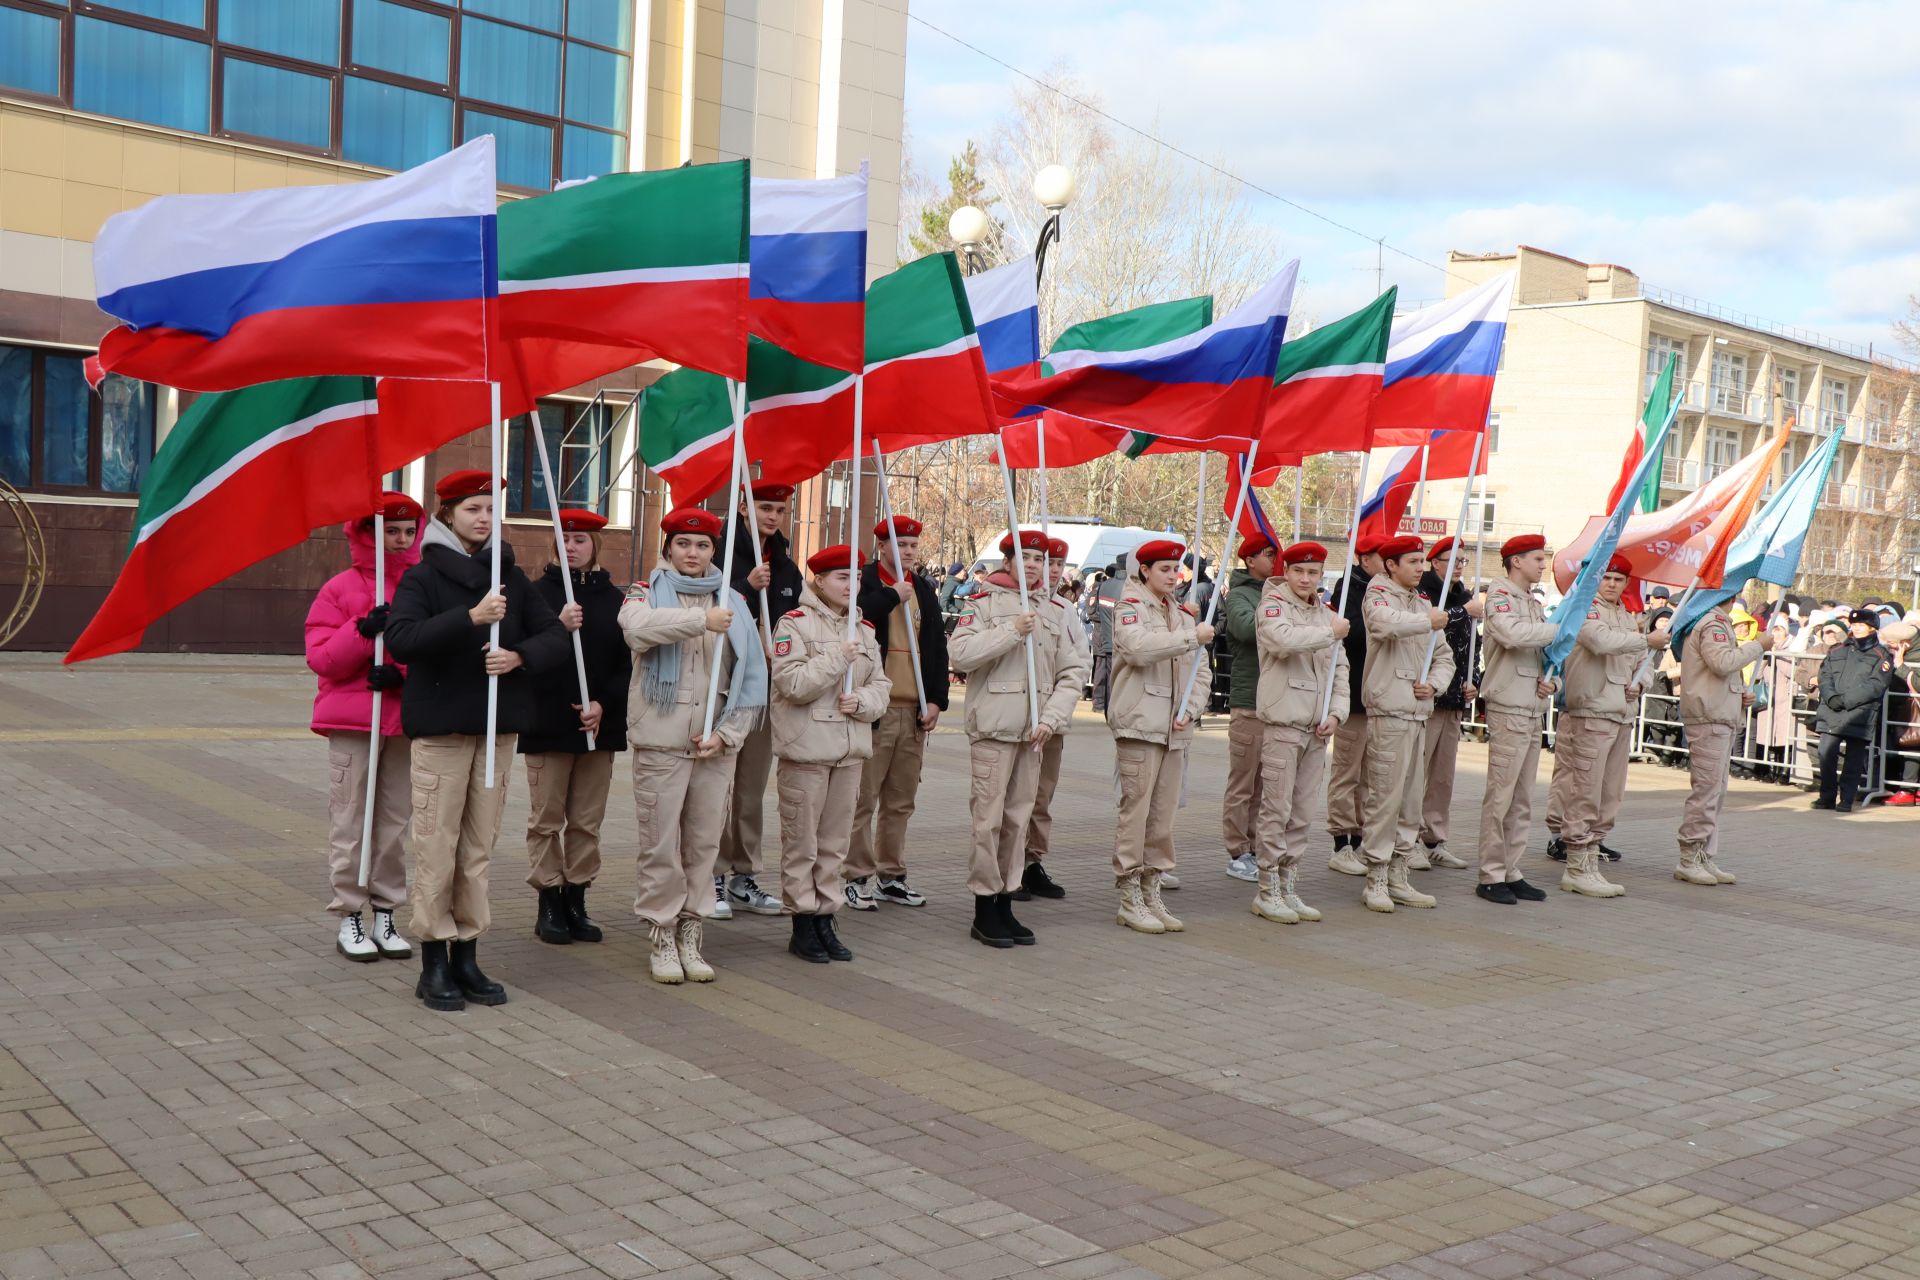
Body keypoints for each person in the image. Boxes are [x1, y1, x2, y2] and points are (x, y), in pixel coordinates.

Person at [385, 469, 569, 1012]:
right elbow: (402, 639)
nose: (484, 517)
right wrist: (470, 617)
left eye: (490, 508)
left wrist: (518, 657)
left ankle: (468, 949)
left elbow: (554, 636)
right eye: (472, 508)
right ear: (447, 515)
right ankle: (434, 959)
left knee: (478, 849)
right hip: (443, 730)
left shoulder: (509, 576)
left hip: (496, 729)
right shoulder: (423, 577)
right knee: (436, 846)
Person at [618, 507, 767, 983]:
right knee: (660, 845)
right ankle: (661, 933)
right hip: (662, 740)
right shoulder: (646, 592)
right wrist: (700, 621)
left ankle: (691, 930)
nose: (693, 553)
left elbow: (751, 680)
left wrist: (729, 733)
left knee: (702, 845)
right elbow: (636, 628)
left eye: (703, 546)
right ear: (668, 549)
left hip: (715, 745)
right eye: (684, 543)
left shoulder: (733, 601)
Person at [305, 491, 422, 963]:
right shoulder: (339, 589)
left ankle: (385, 910)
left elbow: (438, 650)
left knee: (394, 823)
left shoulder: (422, 586)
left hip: (404, 721)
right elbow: (322, 658)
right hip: (353, 722)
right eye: (389, 531)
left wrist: (403, 675)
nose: (399, 540)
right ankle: (349, 913)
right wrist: (361, 631)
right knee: (351, 820)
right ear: (365, 534)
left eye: (408, 532)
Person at [949, 532, 1084, 943]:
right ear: (1007, 561)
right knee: (988, 821)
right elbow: (960, 655)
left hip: (1034, 732)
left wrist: (1053, 717)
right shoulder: (982, 604)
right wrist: (1011, 631)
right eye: (1024, 557)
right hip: (994, 727)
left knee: (1018, 820)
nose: (1033, 565)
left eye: (1040, 559)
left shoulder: (1057, 611)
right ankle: (983, 905)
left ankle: (1007, 899)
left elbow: (1073, 672)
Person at [769, 546, 890, 963]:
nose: (850, 585)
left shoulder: (865, 630)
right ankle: (802, 921)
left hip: (849, 750)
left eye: (855, 578)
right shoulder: (794, 624)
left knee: (834, 844)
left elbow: (881, 685)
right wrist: (839, 657)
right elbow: (792, 684)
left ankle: (825, 916)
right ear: (818, 581)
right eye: (841, 577)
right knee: (801, 841)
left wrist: (864, 703)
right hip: (807, 750)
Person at [521, 510, 629, 947]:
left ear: (595, 545)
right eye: (564, 539)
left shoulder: (615, 600)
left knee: (586, 820)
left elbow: (627, 662)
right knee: (546, 817)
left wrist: (603, 704)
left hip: (597, 727)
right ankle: (549, 900)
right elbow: (521, 657)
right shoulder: (535, 595)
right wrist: (558, 629)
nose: (571, 547)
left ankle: (577, 898)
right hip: (548, 722)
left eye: (580, 539)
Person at [1542, 555, 1667, 897]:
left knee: (1610, 792)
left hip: (1621, 712)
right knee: (1583, 788)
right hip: (1591, 709)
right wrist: (1645, 641)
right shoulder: (1585, 609)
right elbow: (1599, 641)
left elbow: (1645, 663)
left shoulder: (1628, 618)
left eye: (1618, 579)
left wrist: (1640, 683)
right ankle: (1576, 862)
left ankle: (1592, 854)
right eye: (1607, 578)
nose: (1612, 584)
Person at [1107, 540, 1212, 933]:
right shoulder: (1130, 607)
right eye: (1164, 569)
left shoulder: (1183, 614)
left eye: (1176, 569)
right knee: (1135, 812)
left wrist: (1192, 707)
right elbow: (1137, 649)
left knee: (1163, 815)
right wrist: (1191, 637)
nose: (1173, 575)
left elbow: (1200, 671)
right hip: (1140, 721)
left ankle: (1152, 888)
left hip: (1174, 727)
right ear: (1145, 570)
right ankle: (1129, 892)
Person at [846, 515, 949, 910]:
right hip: (877, 710)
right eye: (899, 545)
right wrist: (894, 596)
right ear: (882, 547)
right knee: (863, 799)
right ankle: (855, 875)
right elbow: (856, 615)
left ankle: (892, 874)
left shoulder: (923, 587)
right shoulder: (867, 582)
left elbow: (937, 648)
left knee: (901, 800)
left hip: (914, 710)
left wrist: (937, 699)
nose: (907, 552)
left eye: (912, 546)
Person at [1248, 541, 1350, 923]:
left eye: (1313, 573)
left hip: (1317, 727)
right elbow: (1282, 641)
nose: (1306, 579)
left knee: (1303, 813)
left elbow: (1341, 670)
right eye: (1299, 572)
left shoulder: (1326, 615)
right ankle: (1267, 888)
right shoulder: (1273, 606)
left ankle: (1289, 883)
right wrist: (1329, 633)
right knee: (1276, 808)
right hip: (1284, 721)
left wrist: (1338, 713)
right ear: (1286, 572)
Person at [1356, 536, 1453, 913]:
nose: (1419, 568)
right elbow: (1384, 625)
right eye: (1412, 561)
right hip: (1390, 710)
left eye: (1421, 562)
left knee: (1412, 799)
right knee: (1385, 797)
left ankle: (1399, 872)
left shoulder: (1424, 604)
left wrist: (1436, 683)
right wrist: (1424, 621)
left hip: (1418, 711)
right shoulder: (1378, 595)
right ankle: (1375, 877)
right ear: (1390, 565)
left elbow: (1442, 655)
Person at [718, 482, 800, 920]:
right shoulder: (721, 550)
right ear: (746, 511)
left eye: (779, 509)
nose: (772, 516)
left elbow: (797, 616)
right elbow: (710, 606)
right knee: (718, 786)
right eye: (764, 508)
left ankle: (742, 875)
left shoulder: (785, 563)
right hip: (726, 687)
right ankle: (710, 874)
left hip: (766, 690)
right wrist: (745, 587)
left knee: (750, 788)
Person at [1473, 534, 1561, 906]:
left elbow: (1545, 654)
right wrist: (1560, 629)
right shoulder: (1499, 596)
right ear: (1515, 561)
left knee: (1523, 797)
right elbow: (1511, 636)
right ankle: (1491, 874)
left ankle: (1512, 869)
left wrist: (1552, 680)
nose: (1543, 565)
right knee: (1502, 794)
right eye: (1537, 559)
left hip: (1531, 705)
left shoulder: (1532, 603)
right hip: (1508, 703)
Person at [1674, 599, 1773, 885]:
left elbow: (1722, 672)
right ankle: (1690, 855)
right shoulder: (1712, 622)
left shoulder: (1718, 621)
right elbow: (1722, 662)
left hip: (1720, 712)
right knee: (1706, 790)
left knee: (1715, 791)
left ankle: (1703, 854)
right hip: (1710, 715)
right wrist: (1758, 646)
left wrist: (1740, 692)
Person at [1017, 536, 1088, 903]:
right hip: (1017, 717)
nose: (1054, 571)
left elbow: (1079, 660)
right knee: (1015, 798)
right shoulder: (1017, 604)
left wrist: (1058, 709)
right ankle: (1009, 865)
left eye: (1060, 565)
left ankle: (1032, 862)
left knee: (1042, 796)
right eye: (1049, 564)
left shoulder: (1064, 608)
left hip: (1052, 721)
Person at [1414, 536, 1480, 871]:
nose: (1458, 567)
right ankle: (1408, 838)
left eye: (1463, 562)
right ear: (1434, 562)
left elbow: (1471, 648)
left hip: (1454, 696)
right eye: (1452, 560)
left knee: (1443, 776)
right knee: (1416, 772)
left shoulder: (1464, 596)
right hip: (1428, 695)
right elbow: (1428, 628)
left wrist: (1474, 682)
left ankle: (1434, 838)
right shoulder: (1424, 592)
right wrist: (1461, 612)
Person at [1220, 534, 1279, 883]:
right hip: (1249, 701)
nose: (1273, 560)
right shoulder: (1242, 594)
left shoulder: (1272, 593)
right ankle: (1237, 850)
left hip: (1273, 702)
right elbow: (1243, 629)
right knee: (1243, 783)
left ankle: (1256, 846)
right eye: (1267, 555)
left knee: (1263, 784)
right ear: (1249, 561)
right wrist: (1275, 606)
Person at [1327, 534, 1385, 874]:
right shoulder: (1348, 588)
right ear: (1365, 560)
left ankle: (1362, 838)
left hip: (1375, 693)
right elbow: (1355, 632)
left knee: (1369, 775)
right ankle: (1341, 842)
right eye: (1382, 556)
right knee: (1346, 772)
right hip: (1353, 693)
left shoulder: (1383, 591)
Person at [1811, 607, 1895, 812]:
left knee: (1853, 760)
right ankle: (1827, 796)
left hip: (1860, 712)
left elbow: (1876, 685)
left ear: (1872, 627)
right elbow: (1826, 675)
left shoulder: (1881, 655)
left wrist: (1846, 700)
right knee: (1825, 753)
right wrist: (1831, 697)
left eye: (1861, 625)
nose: (1856, 628)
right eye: (1854, 624)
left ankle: (1846, 799)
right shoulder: (1838, 650)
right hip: (1833, 710)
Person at [1089, 559, 1127, 711]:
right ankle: (1113, 709)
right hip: (1121, 641)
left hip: (1106, 639)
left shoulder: (1104, 586)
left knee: (1109, 676)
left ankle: (1106, 708)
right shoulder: (1126, 588)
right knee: (1117, 679)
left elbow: (1098, 611)